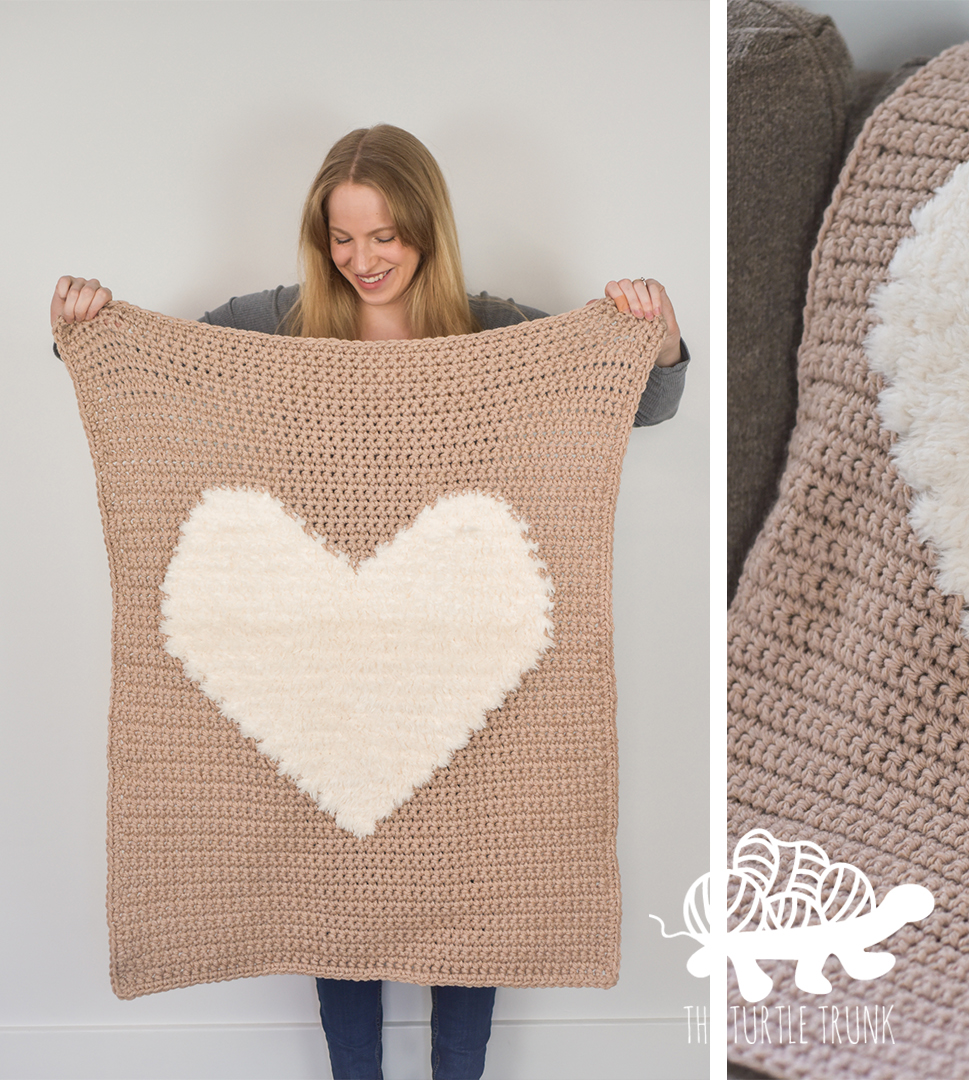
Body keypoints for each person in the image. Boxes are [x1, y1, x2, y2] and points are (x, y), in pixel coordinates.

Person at [48, 124, 689, 1080]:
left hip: (463, 654)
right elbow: (151, 383)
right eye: (343, 238)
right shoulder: (271, 321)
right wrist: (86, 327)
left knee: (475, 889)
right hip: (322, 663)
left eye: (384, 236)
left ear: (426, 227)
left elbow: (635, 400)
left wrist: (659, 330)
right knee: (332, 884)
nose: (363, 260)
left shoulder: (491, 327)